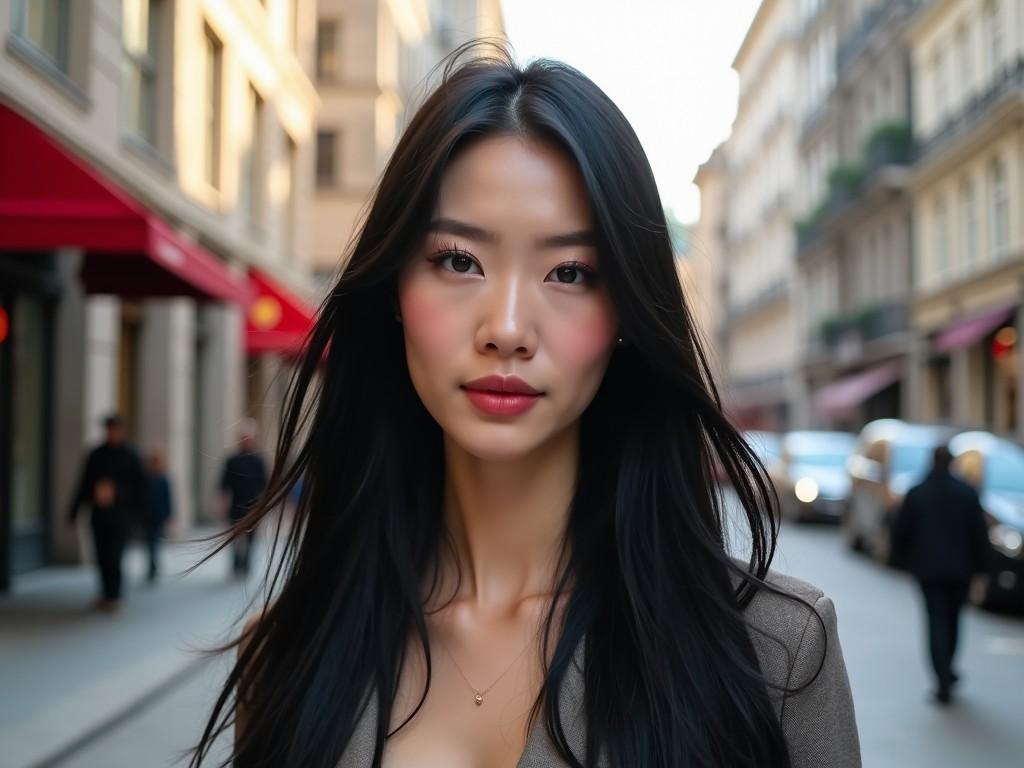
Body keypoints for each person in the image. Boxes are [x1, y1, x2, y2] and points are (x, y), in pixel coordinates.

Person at [192, 44, 860, 768]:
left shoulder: (773, 652)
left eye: (569, 272)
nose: (507, 327)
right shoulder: (285, 656)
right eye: (458, 260)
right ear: (394, 292)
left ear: (627, 316)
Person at [890, 444, 991, 705]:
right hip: (960, 571)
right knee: (953, 620)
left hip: (928, 570)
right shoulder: (966, 493)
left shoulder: (917, 492)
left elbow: (901, 532)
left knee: (935, 620)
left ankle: (942, 676)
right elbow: (979, 534)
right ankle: (947, 670)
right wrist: (981, 571)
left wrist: (903, 563)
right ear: (952, 463)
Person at [68, 413, 147, 612]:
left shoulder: (132, 455)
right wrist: (73, 512)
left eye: (115, 429)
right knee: (101, 555)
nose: (112, 433)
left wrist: (118, 493)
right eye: (109, 429)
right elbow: (84, 484)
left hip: (121, 517)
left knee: (116, 555)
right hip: (99, 515)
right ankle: (105, 593)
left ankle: (115, 594)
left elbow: (142, 488)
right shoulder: (96, 454)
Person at [218, 420, 268, 578]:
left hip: (253, 506)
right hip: (236, 504)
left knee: (252, 536)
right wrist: (222, 501)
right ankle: (236, 563)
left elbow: (264, 484)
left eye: (248, 438)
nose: (245, 441)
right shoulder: (231, 460)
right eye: (242, 437)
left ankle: (247, 563)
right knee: (235, 536)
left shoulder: (258, 460)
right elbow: (224, 483)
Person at [144, 449, 174, 582]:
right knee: (150, 542)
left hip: (159, 515)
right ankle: (152, 565)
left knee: (155, 541)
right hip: (148, 515)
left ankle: (153, 565)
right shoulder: (146, 478)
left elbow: (168, 498)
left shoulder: (164, 479)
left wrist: (169, 515)